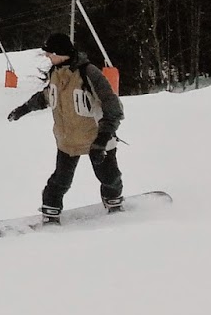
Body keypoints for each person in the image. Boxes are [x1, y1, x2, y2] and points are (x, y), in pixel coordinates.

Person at [8, 31, 124, 223]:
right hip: (67, 139)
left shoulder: (89, 73)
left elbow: (113, 107)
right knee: (60, 180)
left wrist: (103, 138)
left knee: (109, 177)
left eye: (49, 52)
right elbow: (48, 95)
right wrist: (24, 108)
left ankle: (114, 201)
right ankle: (51, 211)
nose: (47, 56)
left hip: (97, 138)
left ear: (60, 53)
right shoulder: (55, 73)